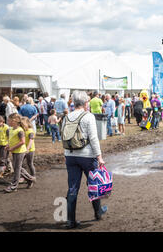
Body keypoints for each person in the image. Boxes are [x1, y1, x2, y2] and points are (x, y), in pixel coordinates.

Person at [62, 90, 107, 229]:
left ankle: (71, 221)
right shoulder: (88, 116)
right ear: (86, 103)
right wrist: (99, 157)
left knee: (72, 188)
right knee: (93, 184)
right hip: (87, 156)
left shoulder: (67, 117)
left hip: (70, 155)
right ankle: (98, 212)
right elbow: (93, 138)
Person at [4, 113, 35, 193]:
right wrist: (8, 145)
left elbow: (22, 142)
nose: (7, 121)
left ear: (14, 121)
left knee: (17, 169)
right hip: (14, 151)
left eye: (9, 120)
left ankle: (14, 186)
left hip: (20, 151)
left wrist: (13, 148)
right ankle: (30, 178)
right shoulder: (11, 129)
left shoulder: (20, 130)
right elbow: (11, 140)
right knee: (17, 167)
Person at [21, 116, 36, 187]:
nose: (21, 125)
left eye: (22, 124)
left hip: (30, 150)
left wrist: (27, 149)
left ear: (27, 123)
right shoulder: (23, 130)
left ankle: (33, 177)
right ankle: (25, 177)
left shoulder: (30, 131)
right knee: (19, 164)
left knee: (29, 164)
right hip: (23, 150)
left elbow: (31, 141)